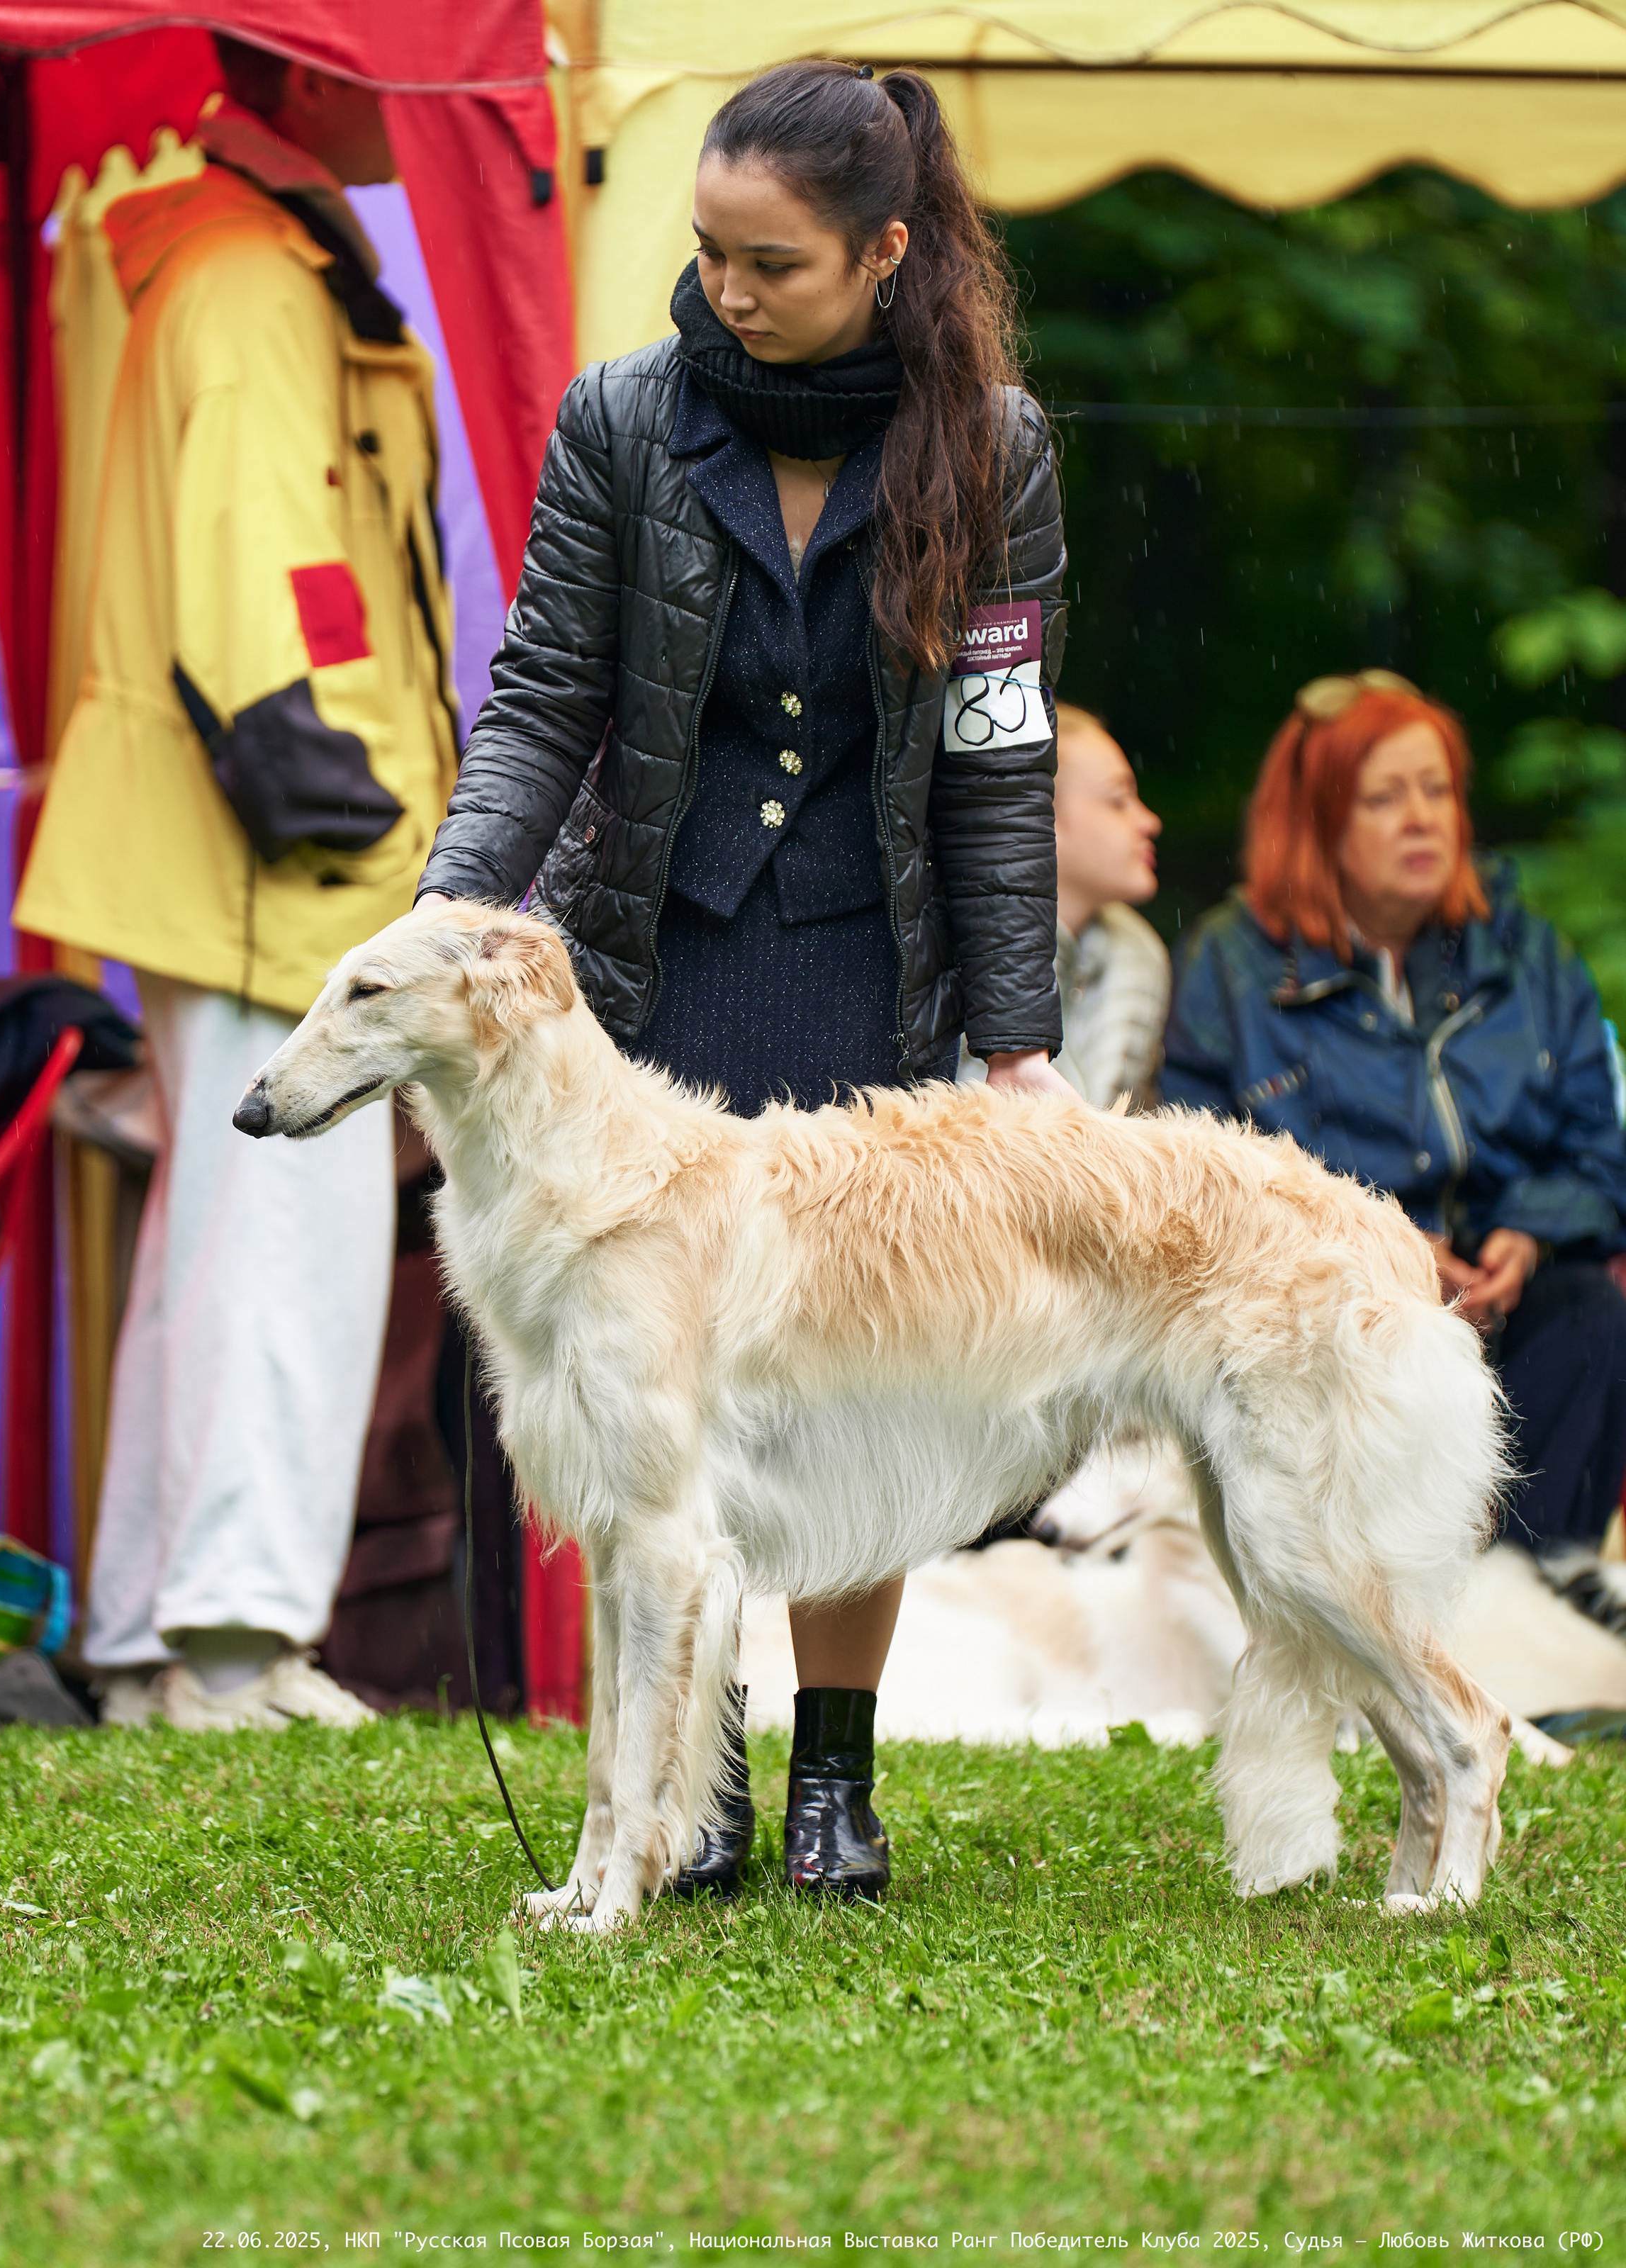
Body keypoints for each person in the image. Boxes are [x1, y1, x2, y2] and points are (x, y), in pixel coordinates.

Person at [417, 60, 1070, 1896]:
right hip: (659, 974)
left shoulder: (994, 447)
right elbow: (544, 700)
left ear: (885, 253)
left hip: (881, 976)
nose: (727, 289)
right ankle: (685, 1791)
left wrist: (1014, 1045)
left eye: (770, 260)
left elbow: (1003, 757)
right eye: (708, 253)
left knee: (852, 1380)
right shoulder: (621, 424)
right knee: (661, 1399)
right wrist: (461, 915)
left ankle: (833, 1787)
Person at [15, 40, 459, 1729]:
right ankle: (228, 1643)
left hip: (251, 823)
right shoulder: (250, 275)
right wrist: (328, 788)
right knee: (292, 1230)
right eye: (398, 65)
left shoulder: (222, 252)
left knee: (228, 1231)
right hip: (283, 831)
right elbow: (274, 564)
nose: (426, 97)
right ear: (324, 77)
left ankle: (164, 1633)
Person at [1162, 670, 1626, 1576]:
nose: (1422, 818)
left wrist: (1527, 1237)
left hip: (1504, 1296)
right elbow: (1199, 1181)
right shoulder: (1229, 967)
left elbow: (1599, 1150)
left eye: (1437, 790)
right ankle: (1370, 1615)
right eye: (1384, 796)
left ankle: (1533, 1608)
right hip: (1328, 1313)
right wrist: (1386, 1248)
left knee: (1592, 1311)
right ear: (1319, 822)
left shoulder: (1527, 953)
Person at [963, 704, 1167, 1109]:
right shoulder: (958, 950)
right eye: (1119, 799)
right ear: (1039, 812)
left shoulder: (1139, 955)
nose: (1150, 821)